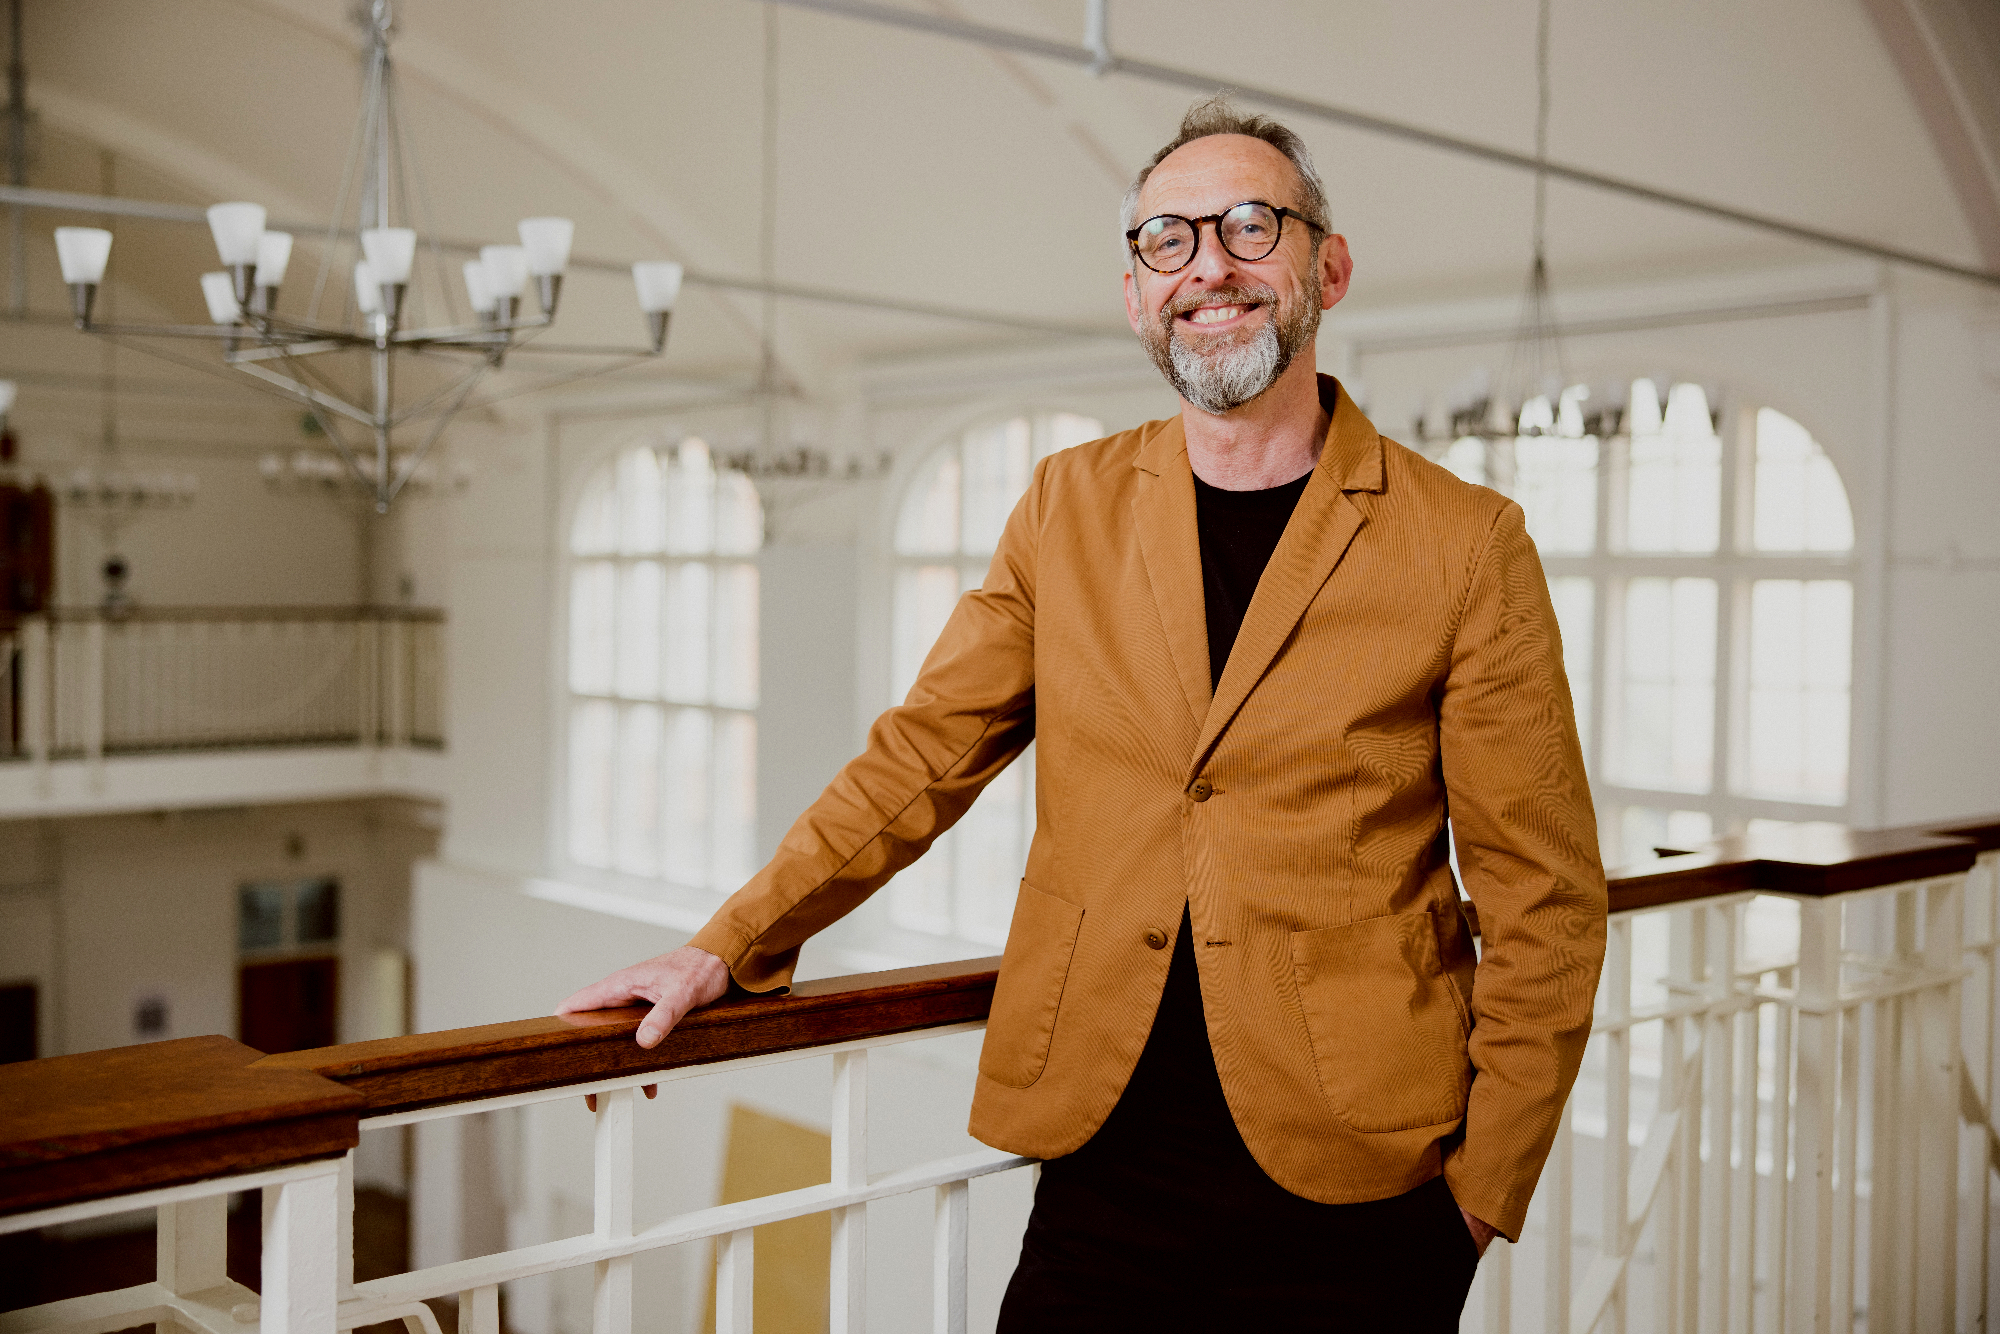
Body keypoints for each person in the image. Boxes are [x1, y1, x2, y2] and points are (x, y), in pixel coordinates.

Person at [559, 96, 1607, 1331]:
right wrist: (728, 942)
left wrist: (1477, 1198)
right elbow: (923, 755)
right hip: (1104, 1160)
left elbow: (1541, 895)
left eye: (1247, 225)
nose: (1206, 265)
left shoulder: (1466, 541)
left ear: (1326, 266)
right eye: (1167, 241)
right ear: (1134, 295)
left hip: (1364, 1189)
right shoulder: (1068, 503)